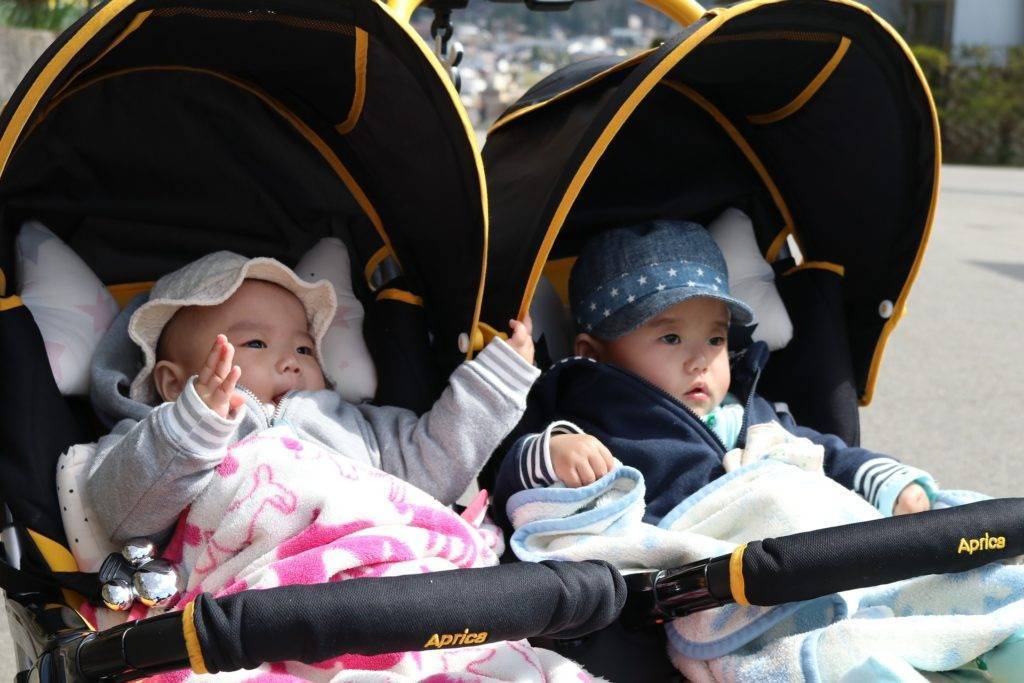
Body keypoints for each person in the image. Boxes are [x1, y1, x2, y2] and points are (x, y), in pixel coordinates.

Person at [492, 220, 936, 529]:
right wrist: (554, 452)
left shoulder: (750, 413)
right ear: (594, 354)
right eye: (671, 338)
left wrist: (889, 482)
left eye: (715, 339)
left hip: (781, 553)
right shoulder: (591, 418)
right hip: (681, 578)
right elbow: (508, 479)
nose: (699, 360)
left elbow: (823, 454)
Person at [86, 251, 537, 544]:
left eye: (304, 348)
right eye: (256, 344)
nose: (290, 361)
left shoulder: (355, 426)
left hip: (378, 577)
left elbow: (434, 466)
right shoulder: (157, 441)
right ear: (172, 383)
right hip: (248, 607)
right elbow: (123, 514)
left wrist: (494, 383)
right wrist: (191, 428)